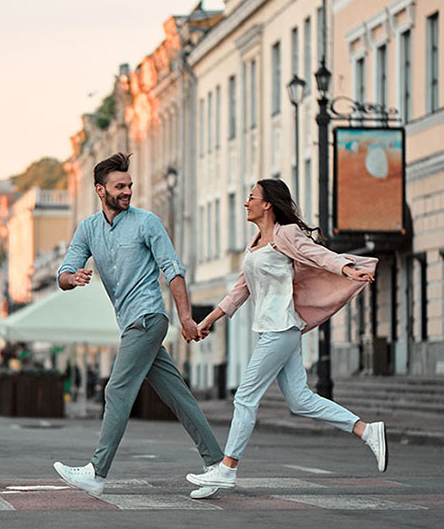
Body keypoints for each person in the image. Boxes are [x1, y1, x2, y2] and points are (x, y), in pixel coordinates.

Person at [185, 178, 386, 494]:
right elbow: (240, 290)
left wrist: (348, 269)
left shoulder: (285, 235)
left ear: (266, 203)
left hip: (280, 328)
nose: (246, 202)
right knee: (300, 400)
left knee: (245, 397)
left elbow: (319, 255)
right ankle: (366, 430)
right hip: (275, 329)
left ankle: (226, 469)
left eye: (251, 197)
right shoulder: (255, 244)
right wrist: (207, 321)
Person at [52, 152, 223, 499]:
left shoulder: (147, 222)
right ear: (101, 190)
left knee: (116, 390)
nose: (128, 191)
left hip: (147, 318)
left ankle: (96, 473)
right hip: (130, 322)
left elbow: (172, 270)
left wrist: (186, 318)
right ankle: (218, 464)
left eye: (130, 185)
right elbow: (63, 274)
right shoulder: (88, 228)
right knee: (177, 394)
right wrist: (75, 277)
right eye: (120, 186)